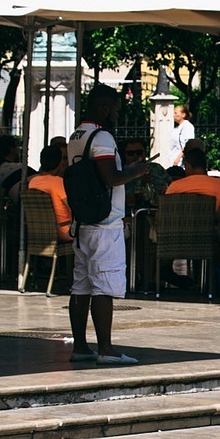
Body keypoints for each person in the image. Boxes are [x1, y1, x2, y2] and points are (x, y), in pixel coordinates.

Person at [67, 83, 149, 366]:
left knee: (81, 285)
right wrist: (136, 170)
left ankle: (80, 345)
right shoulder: (101, 137)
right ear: (104, 108)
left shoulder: (77, 135)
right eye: (115, 108)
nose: (117, 114)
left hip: (83, 221)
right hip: (105, 223)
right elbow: (111, 178)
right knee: (104, 285)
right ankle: (106, 348)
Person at [165, 145, 220, 217]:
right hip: (207, 227)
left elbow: (166, 211)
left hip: (177, 227)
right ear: (206, 164)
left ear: (187, 166)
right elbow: (219, 215)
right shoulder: (219, 184)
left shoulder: (174, 186)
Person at [28, 143, 72, 241]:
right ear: (60, 162)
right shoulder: (59, 182)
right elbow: (72, 206)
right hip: (63, 231)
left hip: (38, 231)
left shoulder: (33, 182)